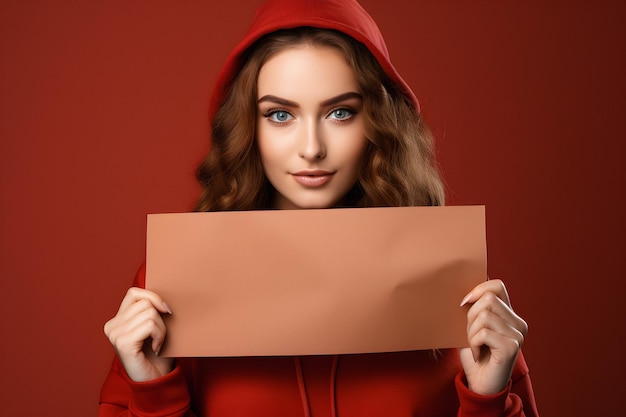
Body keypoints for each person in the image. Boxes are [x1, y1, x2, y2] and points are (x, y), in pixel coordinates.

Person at [99, 0, 539, 416]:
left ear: (380, 122)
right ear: (247, 127)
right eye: (280, 115)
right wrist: (155, 391)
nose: (311, 148)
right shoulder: (170, 287)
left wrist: (487, 400)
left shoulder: (458, 285)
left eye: (340, 113)